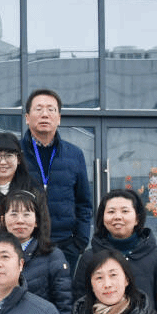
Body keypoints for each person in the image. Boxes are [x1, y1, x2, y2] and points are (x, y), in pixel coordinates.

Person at [20, 88, 92, 269]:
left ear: (59, 118)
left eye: (51, 109)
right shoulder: (16, 153)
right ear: (27, 117)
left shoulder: (74, 154)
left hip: (66, 245)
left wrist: (80, 242)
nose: (45, 114)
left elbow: (84, 203)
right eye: (38, 109)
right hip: (25, 243)